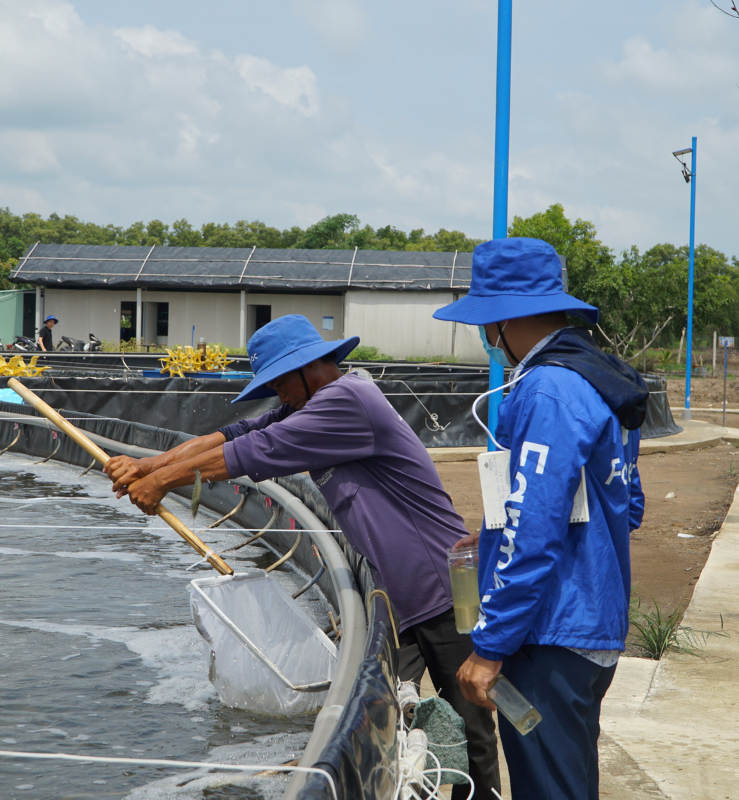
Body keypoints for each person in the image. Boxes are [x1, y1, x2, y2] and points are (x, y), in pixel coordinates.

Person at [104, 314, 501, 800]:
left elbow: (251, 453)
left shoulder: (343, 403)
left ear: (310, 368)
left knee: (473, 724)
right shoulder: (310, 403)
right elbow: (233, 436)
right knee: (386, 717)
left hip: (438, 586)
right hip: (396, 595)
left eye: (278, 382)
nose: (277, 395)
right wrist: (148, 464)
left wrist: (162, 482)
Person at [433, 238, 647, 800]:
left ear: (503, 320)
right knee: (570, 782)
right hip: (594, 624)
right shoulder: (603, 378)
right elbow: (630, 506)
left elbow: (534, 530)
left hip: (551, 633)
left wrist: (491, 646)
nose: (484, 338)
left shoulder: (546, 389)